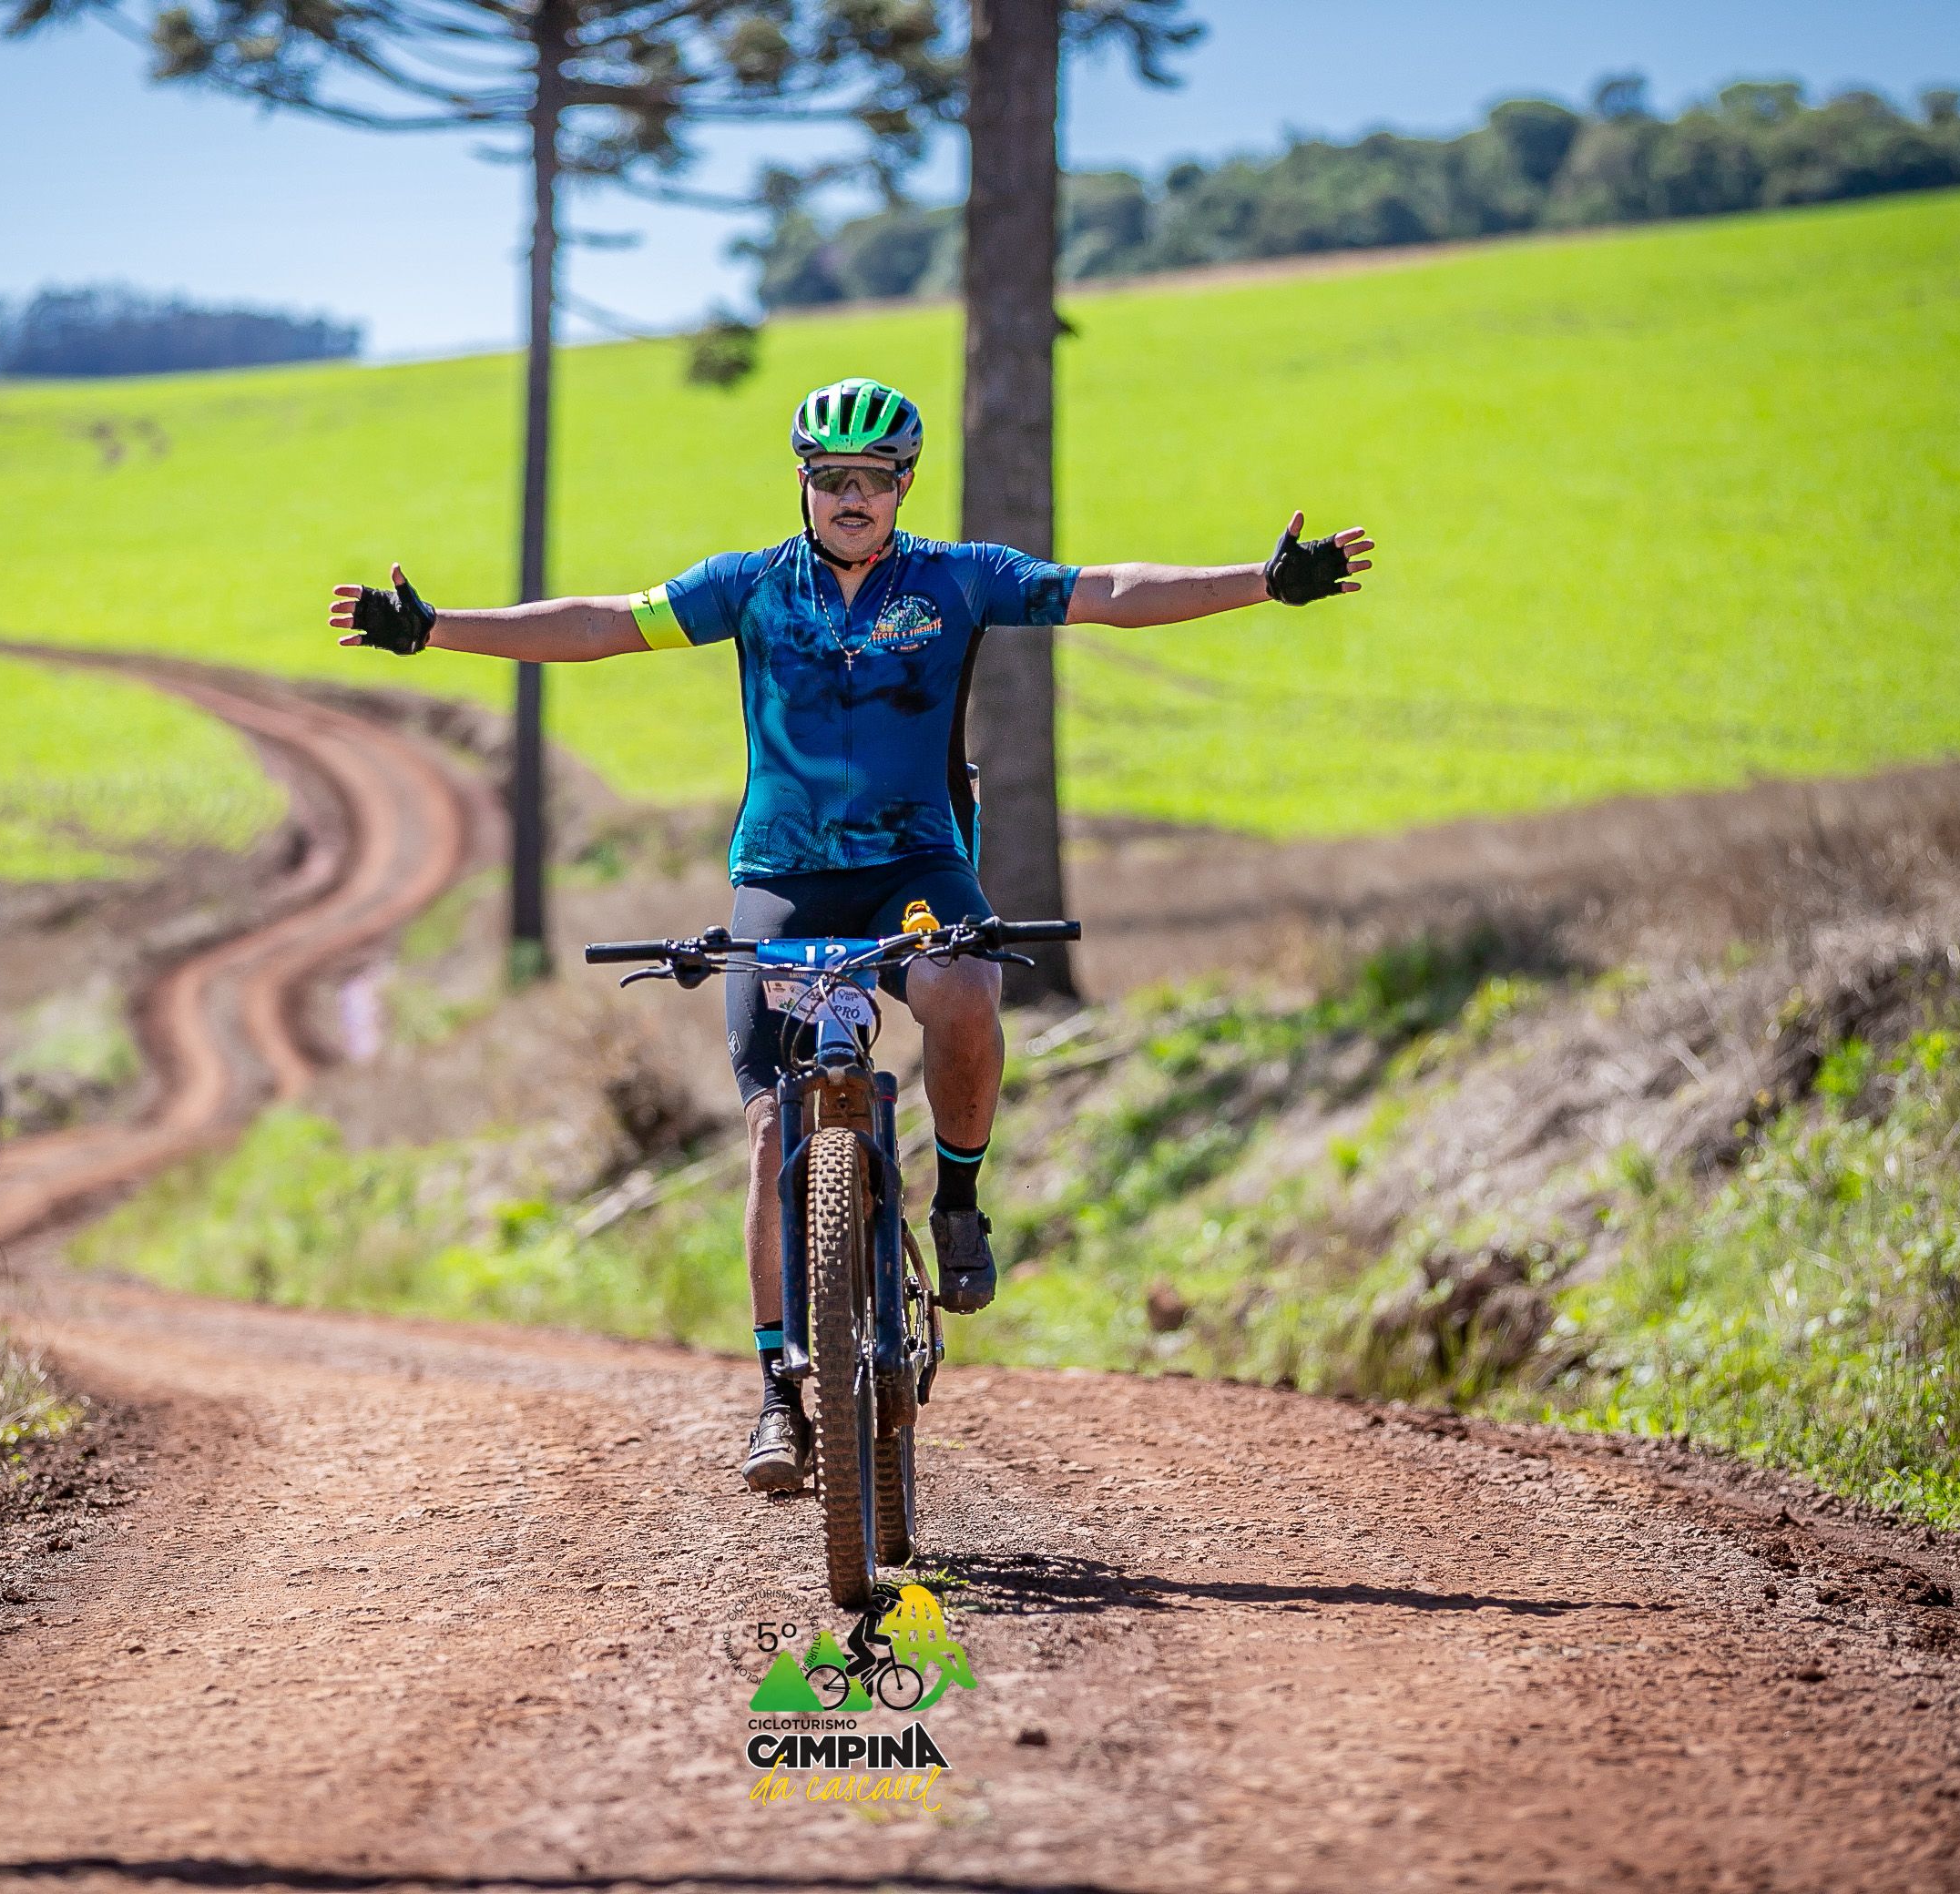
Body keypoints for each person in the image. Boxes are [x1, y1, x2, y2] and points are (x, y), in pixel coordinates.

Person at [326, 377, 1372, 1492]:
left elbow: (1106, 590)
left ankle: (957, 1203)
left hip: (914, 871)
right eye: (832, 477)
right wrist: (437, 629)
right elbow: (602, 624)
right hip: (782, 881)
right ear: (804, 483)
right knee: (771, 1131)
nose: (852, 497)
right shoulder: (749, 588)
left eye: (873, 478)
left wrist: (1261, 580)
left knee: (965, 986)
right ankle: (779, 1394)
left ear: (904, 485)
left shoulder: (959, 580)